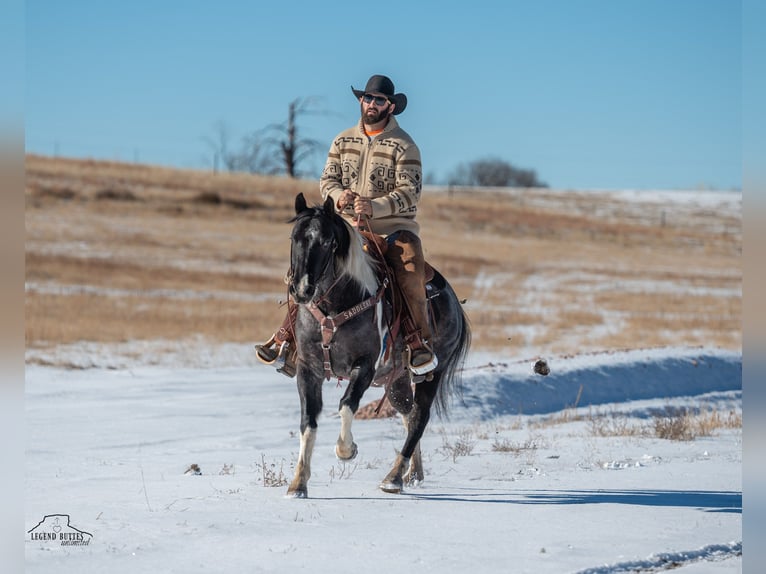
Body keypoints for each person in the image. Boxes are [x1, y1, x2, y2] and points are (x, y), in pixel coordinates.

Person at [256, 74, 437, 378]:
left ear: (390, 106)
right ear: (361, 101)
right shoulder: (342, 140)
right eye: (367, 98)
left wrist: (375, 205)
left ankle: (417, 344)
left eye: (379, 100)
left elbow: (410, 192)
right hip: (348, 228)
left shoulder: (405, 146)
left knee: (409, 274)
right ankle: (287, 340)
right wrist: (339, 197)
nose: (372, 104)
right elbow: (328, 180)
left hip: (394, 229)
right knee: (308, 267)